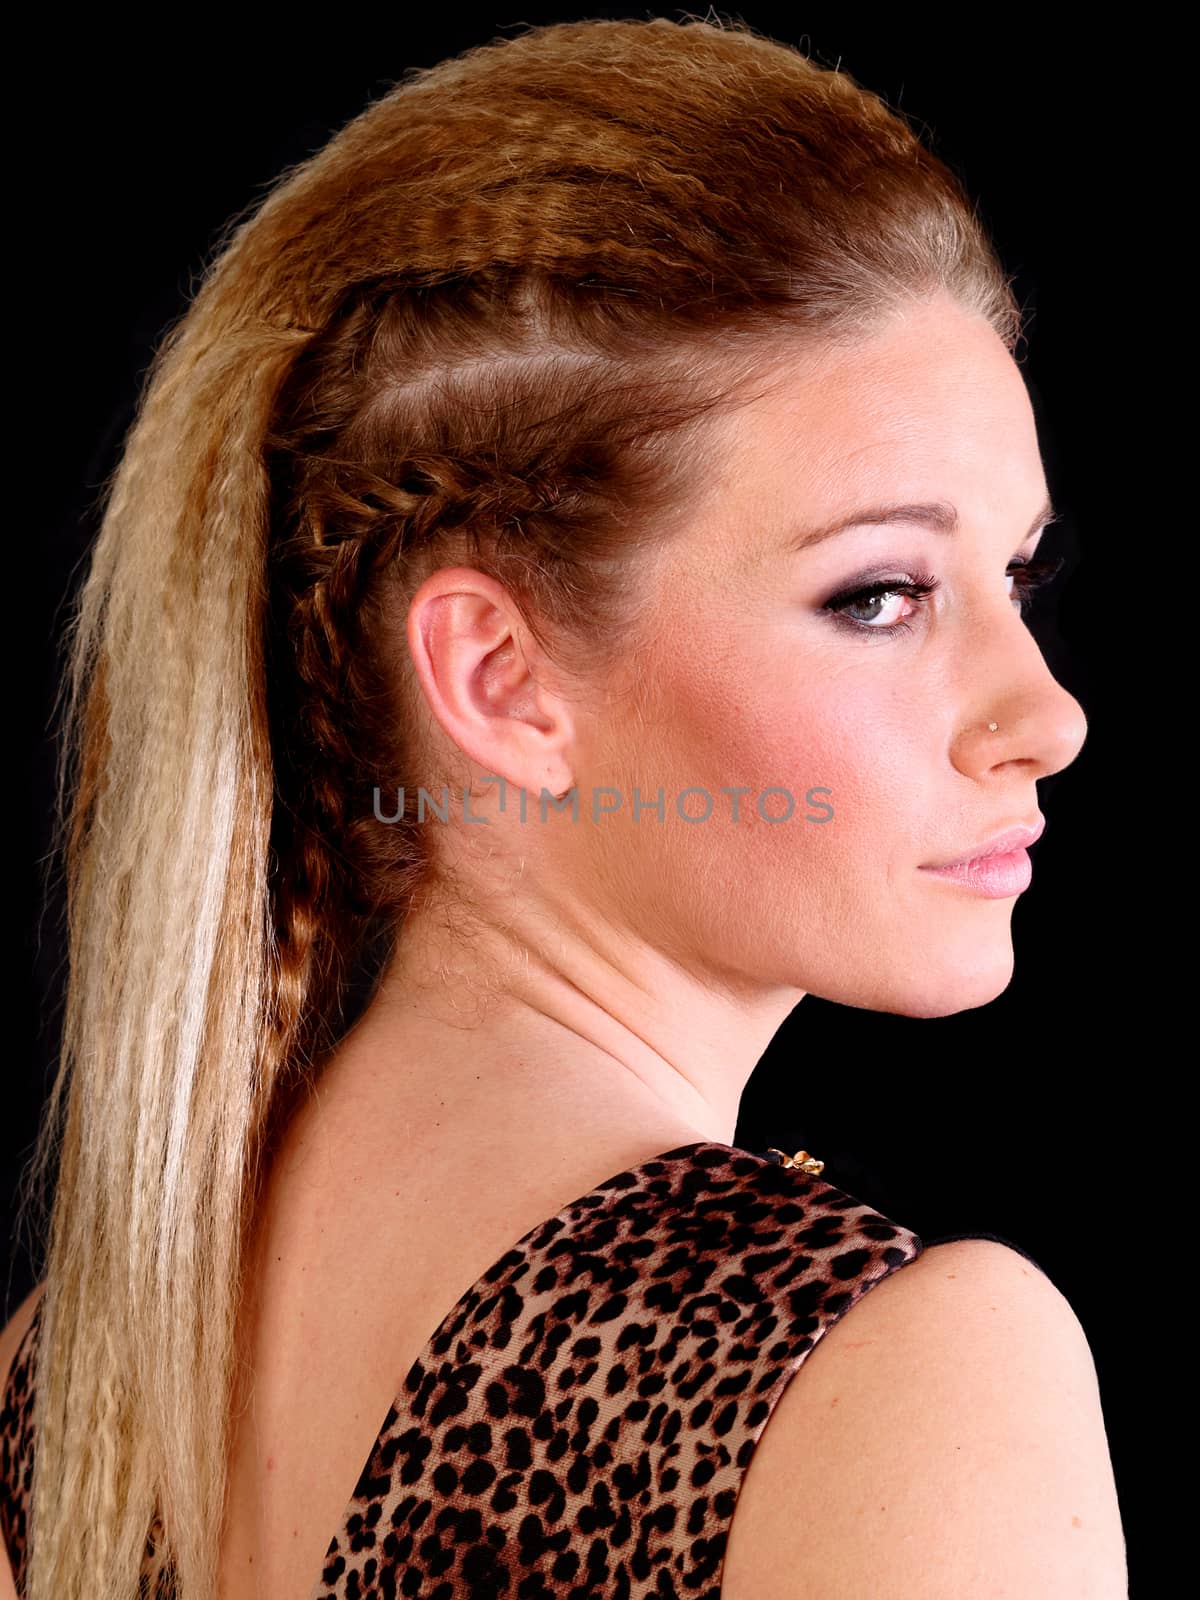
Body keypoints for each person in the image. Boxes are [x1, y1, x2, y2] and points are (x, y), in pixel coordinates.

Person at [0, 15, 1127, 1600]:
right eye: (880, 595)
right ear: (503, 680)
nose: (1046, 717)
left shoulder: (76, 1379)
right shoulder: (881, 1381)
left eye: (1013, 577)